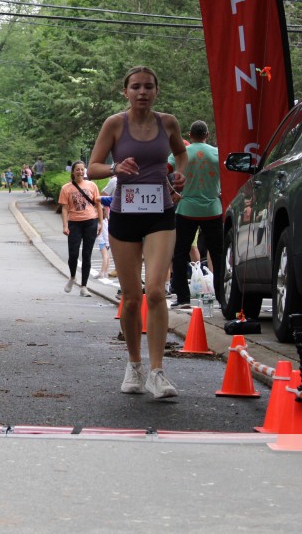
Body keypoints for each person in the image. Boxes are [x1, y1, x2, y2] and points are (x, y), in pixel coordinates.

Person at [87, 66, 187, 399]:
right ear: (125, 92)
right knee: (131, 298)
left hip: (161, 213)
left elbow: (181, 152)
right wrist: (115, 168)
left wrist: (180, 174)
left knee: (156, 291)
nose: (142, 92)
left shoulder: (168, 123)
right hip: (125, 214)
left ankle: (157, 372)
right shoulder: (114, 124)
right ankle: (134, 364)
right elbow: (92, 167)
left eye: (148, 87)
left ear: (156, 91)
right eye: (135, 87)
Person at [169, 120, 224, 309]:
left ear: (190, 135)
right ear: (207, 135)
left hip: (187, 209)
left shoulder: (181, 153)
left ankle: (183, 298)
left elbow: (164, 171)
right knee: (218, 254)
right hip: (212, 209)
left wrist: (172, 192)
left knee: (180, 253)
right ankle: (222, 297)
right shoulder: (217, 153)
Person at [58, 161, 103, 297]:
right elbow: (64, 208)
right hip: (74, 223)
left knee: (87, 255)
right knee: (73, 254)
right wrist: (65, 225)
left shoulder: (92, 185)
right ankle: (72, 277)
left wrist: (100, 223)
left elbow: (98, 205)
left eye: (82, 169)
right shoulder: (66, 188)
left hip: (90, 222)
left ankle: (84, 286)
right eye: (77, 169)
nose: (80, 172)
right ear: (73, 172)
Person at [96, 197, 113, 281]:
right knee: (107, 257)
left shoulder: (103, 222)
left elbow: (105, 233)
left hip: (103, 241)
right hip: (105, 241)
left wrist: (107, 243)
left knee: (105, 257)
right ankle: (105, 272)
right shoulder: (105, 220)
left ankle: (102, 272)